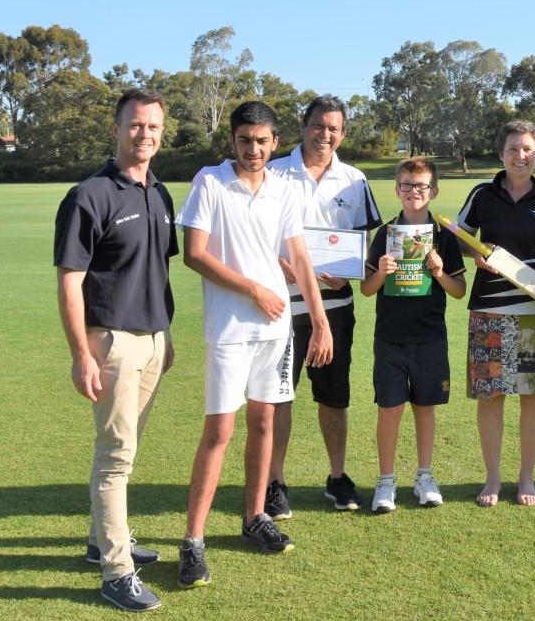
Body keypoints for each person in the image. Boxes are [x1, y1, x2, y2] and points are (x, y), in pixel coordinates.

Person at [175, 102, 333, 587]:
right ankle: (193, 542)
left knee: (264, 423)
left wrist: (320, 321)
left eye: (262, 141)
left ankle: (254, 517)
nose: (253, 149)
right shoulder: (210, 182)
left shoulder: (282, 189)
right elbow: (194, 254)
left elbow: (299, 258)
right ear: (232, 140)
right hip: (230, 330)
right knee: (219, 432)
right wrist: (255, 290)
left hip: (276, 330)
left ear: (274, 141)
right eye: (245, 140)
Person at [54, 87, 177, 612]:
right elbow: (69, 281)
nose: (144, 134)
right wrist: (81, 353)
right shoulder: (89, 195)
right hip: (111, 341)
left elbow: (157, 269)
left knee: (126, 450)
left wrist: (164, 338)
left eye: (153, 126)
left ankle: (101, 540)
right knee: (115, 457)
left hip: (152, 340)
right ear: (117, 129)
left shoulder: (159, 192)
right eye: (135, 124)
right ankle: (116, 572)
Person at [266, 95, 382, 514]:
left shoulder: (354, 180)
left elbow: (367, 242)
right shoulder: (273, 172)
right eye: (318, 125)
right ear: (304, 126)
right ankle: (275, 482)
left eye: (334, 128)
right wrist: (278, 263)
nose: (325, 134)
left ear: (343, 134)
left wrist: (351, 270)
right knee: (279, 394)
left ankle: (337, 476)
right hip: (281, 305)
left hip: (335, 305)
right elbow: (255, 232)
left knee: (334, 395)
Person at [457, 120, 535, 507]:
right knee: (491, 397)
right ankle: (492, 479)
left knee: (532, 396)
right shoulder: (482, 194)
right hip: (490, 309)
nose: (521, 156)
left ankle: (527, 478)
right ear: (501, 154)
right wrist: (476, 253)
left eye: (528, 149)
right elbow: (460, 238)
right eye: (514, 149)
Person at [360, 158, 466, 513]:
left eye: (421, 185)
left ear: (433, 191)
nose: (413, 191)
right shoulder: (386, 233)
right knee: (389, 409)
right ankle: (385, 481)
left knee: (425, 407)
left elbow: (458, 290)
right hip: (390, 338)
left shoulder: (444, 234)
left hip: (430, 337)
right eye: (406, 185)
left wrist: (439, 272)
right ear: (397, 190)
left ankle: (424, 476)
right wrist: (381, 272)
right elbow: (366, 289)